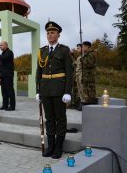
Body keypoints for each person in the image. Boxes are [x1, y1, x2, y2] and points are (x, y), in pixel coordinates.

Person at [36, 21, 73, 159]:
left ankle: (59, 148)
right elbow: (38, 73)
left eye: (53, 32)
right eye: (48, 33)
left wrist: (68, 92)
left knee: (60, 119)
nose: (50, 35)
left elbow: (69, 72)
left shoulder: (64, 50)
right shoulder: (42, 51)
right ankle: (50, 147)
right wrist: (38, 90)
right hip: (45, 90)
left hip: (59, 90)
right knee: (49, 119)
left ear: (58, 35)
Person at [0, 41, 16, 111]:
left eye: (1, 45)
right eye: (0, 45)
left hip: (8, 75)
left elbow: (3, 58)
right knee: (3, 91)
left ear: (6, 46)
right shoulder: (3, 53)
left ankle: (12, 106)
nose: (0, 47)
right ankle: (5, 105)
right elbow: (1, 66)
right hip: (3, 75)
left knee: (10, 91)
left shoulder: (9, 52)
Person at [76, 41, 97, 111]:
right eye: (82, 46)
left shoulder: (90, 54)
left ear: (88, 47)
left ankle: (87, 102)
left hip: (88, 76)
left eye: (84, 46)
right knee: (81, 89)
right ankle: (83, 101)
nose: (83, 48)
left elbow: (89, 64)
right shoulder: (83, 55)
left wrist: (83, 58)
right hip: (81, 75)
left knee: (87, 90)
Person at [70, 44, 82, 109]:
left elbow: (76, 64)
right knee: (74, 90)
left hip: (80, 76)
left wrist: (71, 56)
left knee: (78, 90)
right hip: (75, 76)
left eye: (78, 48)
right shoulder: (79, 57)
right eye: (77, 48)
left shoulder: (82, 57)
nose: (77, 49)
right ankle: (74, 103)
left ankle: (77, 103)